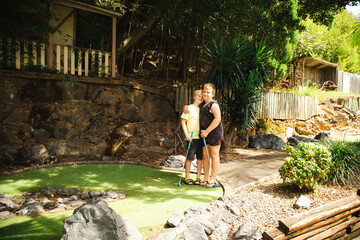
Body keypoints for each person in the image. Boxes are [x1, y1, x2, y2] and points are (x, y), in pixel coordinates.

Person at [199, 83, 223, 188]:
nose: (205, 94)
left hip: (214, 133)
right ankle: (205, 178)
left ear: (212, 94)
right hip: (205, 134)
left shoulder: (213, 105)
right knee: (205, 156)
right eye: (204, 91)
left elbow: (217, 119)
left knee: (214, 155)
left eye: (208, 92)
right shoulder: (202, 105)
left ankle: (213, 179)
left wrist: (207, 132)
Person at [180, 90, 204, 185]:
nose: (200, 98)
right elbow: (183, 121)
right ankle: (187, 177)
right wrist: (186, 134)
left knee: (200, 158)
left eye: (202, 97)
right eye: (198, 96)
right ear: (194, 97)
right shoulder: (189, 108)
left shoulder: (202, 109)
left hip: (201, 137)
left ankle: (198, 177)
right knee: (189, 157)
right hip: (192, 137)